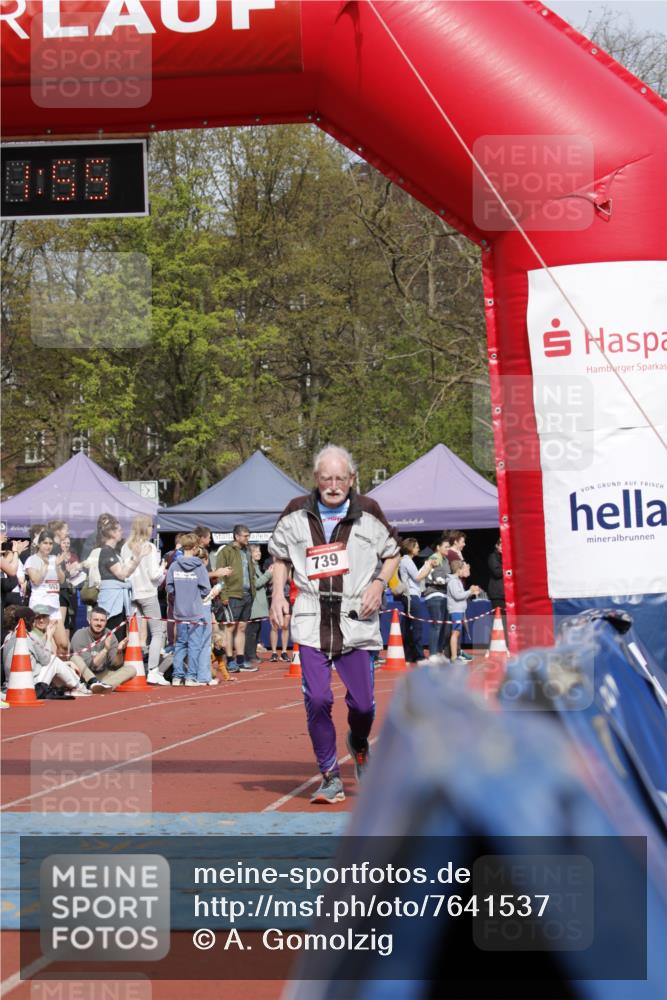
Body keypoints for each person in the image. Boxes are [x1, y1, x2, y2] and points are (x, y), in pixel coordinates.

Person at [269, 444, 400, 805]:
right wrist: (278, 594)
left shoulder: (369, 511)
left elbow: (392, 553)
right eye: (326, 478)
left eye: (340, 478)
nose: (333, 484)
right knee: (318, 699)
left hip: (355, 618)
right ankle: (329, 775)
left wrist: (378, 583)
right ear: (315, 479)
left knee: (363, 705)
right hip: (312, 618)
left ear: (352, 479)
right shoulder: (296, 511)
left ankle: (358, 742)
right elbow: (279, 556)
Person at [3, 604, 93, 696]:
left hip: (10, 686)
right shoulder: (31, 636)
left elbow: (35, 660)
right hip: (29, 686)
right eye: (35, 619)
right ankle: (78, 686)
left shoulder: (8, 637)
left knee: (53, 662)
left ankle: (69, 688)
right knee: (54, 661)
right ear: (30, 621)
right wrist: (49, 636)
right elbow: (46, 660)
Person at [121, 515, 168, 686]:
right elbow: (154, 575)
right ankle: (153, 670)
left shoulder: (126, 546)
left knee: (135, 634)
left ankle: (134, 668)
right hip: (147, 592)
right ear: (145, 527)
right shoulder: (149, 547)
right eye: (151, 526)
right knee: (157, 633)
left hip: (132, 594)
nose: (153, 529)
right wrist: (163, 569)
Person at [166, 533, 215, 686]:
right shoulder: (199, 566)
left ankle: (177, 676)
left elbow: (168, 587)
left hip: (180, 611)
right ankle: (190, 677)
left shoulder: (174, 565)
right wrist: (195, 596)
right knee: (194, 645)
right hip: (195, 611)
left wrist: (179, 596)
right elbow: (206, 589)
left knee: (180, 643)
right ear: (195, 548)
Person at [97, 516, 150, 640]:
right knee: (113, 635)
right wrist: (138, 558)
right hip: (112, 599)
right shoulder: (106, 552)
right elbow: (122, 574)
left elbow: (125, 572)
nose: (122, 532)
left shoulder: (114, 552)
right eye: (119, 530)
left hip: (118, 599)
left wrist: (137, 557)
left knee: (120, 634)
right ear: (112, 533)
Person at [214, 525, 258, 674]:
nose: (247, 538)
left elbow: (250, 572)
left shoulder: (247, 551)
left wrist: (253, 591)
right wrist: (224, 595)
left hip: (247, 594)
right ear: (237, 536)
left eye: (248, 535)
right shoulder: (226, 551)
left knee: (242, 628)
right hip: (232, 594)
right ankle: (230, 660)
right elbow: (220, 574)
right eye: (245, 536)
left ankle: (240, 660)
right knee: (230, 628)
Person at [24, 531, 69, 653]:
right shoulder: (32, 560)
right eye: (45, 543)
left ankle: (58, 671)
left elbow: (62, 580)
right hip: (39, 607)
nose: (48, 546)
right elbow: (36, 580)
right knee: (40, 644)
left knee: (64, 645)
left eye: (50, 543)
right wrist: (44, 565)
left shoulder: (55, 559)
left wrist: (58, 566)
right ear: (39, 544)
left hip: (54, 607)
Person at [71, 606, 134, 691]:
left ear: (106, 622)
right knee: (75, 658)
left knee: (131, 669)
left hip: (101, 674)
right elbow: (90, 667)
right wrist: (105, 650)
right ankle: (93, 684)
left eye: (102, 620)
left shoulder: (110, 635)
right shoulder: (80, 635)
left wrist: (119, 651)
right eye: (96, 620)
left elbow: (116, 665)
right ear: (89, 620)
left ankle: (102, 686)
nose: (99, 623)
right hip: (83, 675)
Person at [398, 538, 433, 665]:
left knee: (408, 627)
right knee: (416, 626)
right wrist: (429, 568)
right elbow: (418, 577)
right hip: (411, 596)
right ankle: (419, 656)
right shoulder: (407, 561)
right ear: (410, 548)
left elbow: (415, 576)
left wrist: (426, 567)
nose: (418, 548)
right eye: (416, 546)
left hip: (411, 596)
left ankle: (409, 655)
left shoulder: (407, 561)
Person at [422, 534, 452, 658]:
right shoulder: (435, 557)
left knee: (444, 627)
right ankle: (433, 654)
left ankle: (438, 652)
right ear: (438, 547)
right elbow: (434, 576)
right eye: (446, 547)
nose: (448, 549)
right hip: (434, 595)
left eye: (449, 547)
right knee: (437, 626)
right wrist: (446, 580)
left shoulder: (445, 560)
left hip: (444, 595)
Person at [446, 560, 480, 662]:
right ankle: (454, 657)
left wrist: (470, 592)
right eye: (463, 568)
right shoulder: (453, 582)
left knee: (457, 633)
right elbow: (458, 596)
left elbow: (461, 595)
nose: (464, 570)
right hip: (455, 611)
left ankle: (456, 654)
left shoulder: (457, 581)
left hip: (459, 610)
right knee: (455, 633)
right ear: (458, 570)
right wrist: (470, 591)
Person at [244, 545, 272, 666]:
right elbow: (255, 584)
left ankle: (253, 654)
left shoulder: (256, 567)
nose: (259, 553)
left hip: (259, 605)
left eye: (259, 551)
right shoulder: (250, 568)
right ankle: (249, 656)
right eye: (256, 551)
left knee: (257, 630)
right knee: (252, 631)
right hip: (254, 605)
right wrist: (268, 574)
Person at [487, 537, 505, 622]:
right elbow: (497, 573)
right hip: (497, 594)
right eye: (501, 545)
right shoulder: (493, 557)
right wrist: (507, 568)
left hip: (505, 593)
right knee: (499, 620)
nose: (503, 547)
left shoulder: (506, 557)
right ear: (497, 546)